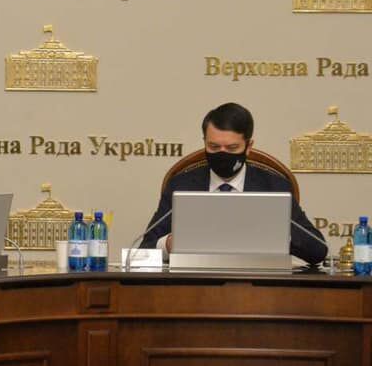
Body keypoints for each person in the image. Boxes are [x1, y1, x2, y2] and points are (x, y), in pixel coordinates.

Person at [140, 102, 328, 265]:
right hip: (196, 285)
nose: (222, 154)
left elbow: (318, 251)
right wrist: (169, 244)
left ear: (248, 147)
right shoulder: (182, 185)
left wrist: (279, 235)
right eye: (214, 147)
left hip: (256, 285)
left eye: (232, 148)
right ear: (204, 142)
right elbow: (142, 252)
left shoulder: (274, 187)